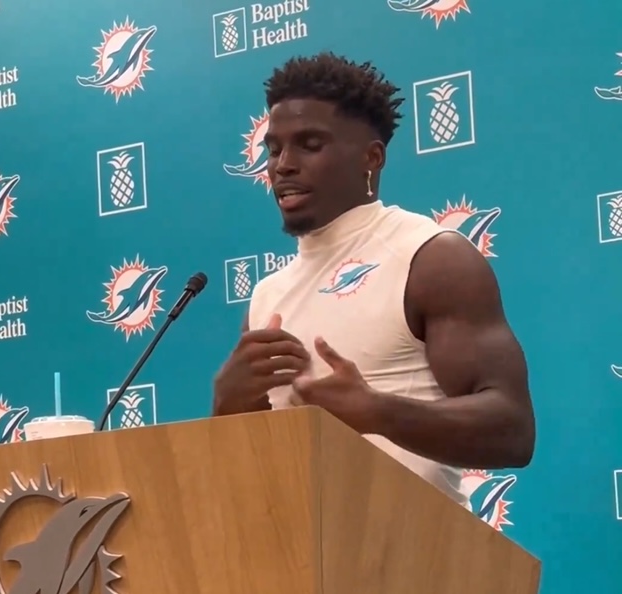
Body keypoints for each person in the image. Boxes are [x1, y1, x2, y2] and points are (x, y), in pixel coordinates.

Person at [213, 52, 535, 508]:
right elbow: (246, 471)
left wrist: (378, 411)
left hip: (419, 547)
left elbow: (513, 430)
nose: (283, 164)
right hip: (297, 547)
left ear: (371, 157)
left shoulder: (429, 257)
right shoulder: (267, 296)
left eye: (309, 144)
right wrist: (227, 407)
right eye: (273, 149)